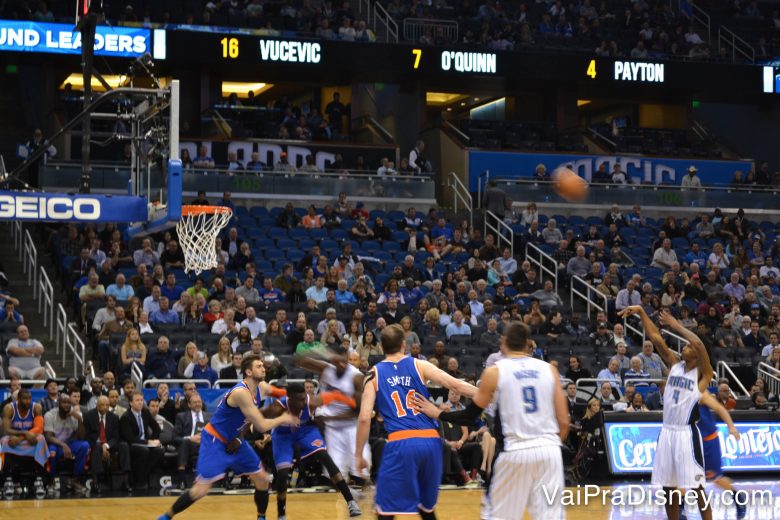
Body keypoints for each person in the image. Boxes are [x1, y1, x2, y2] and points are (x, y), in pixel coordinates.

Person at [414, 321, 569, 520]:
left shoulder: (495, 371)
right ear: (528, 343)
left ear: (503, 342)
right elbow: (564, 422)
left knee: (497, 516)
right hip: (550, 451)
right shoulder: (550, 371)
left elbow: (470, 415)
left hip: (515, 452)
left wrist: (438, 414)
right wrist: (551, 448)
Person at [355, 324, 478, 518]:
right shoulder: (419, 364)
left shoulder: (373, 374)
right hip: (431, 442)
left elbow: (364, 418)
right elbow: (455, 384)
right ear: (404, 344)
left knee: (385, 511)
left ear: (381, 347)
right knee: (426, 508)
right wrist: (486, 395)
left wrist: (358, 454)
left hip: (401, 442)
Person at [157, 355, 295, 520]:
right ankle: (166, 516)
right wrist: (284, 418)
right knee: (200, 490)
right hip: (215, 440)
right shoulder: (241, 393)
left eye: (263, 365)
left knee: (262, 479)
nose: (263, 368)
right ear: (248, 372)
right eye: (259, 366)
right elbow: (261, 426)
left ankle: (261, 517)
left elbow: (280, 393)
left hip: (235, 439)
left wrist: (294, 399)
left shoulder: (262, 387)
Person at [619, 306, 713, 520]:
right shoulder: (674, 364)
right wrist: (641, 312)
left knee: (697, 488)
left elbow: (698, 343)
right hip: (667, 433)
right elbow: (655, 337)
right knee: (668, 488)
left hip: (686, 435)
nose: (686, 347)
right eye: (686, 345)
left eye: (689, 347)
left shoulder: (703, 374)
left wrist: (676, 326)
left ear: (698, 354)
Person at [263, 382, 362, 518]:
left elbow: (335, 397)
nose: (304, 401)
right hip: (283, 434)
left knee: (325, 457)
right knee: (283, 474)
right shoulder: (277, 407)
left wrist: (352, 404)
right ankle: (282, 514)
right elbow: (257, 415)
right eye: (301, 399)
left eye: (305, 397)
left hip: (305, 430)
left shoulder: (312, 402)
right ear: (290, 399)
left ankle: (351, 502)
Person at [297, 350, 371, 485]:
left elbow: (358, 411)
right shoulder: (326, 369)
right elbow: (300, 359)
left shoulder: (356, 377)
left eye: (344, 360)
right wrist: (324, 353)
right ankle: (349, 501)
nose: (341, 364)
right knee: (335, 476)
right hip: (333, 430)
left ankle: (369, 497)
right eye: (337, 361)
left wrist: (330, 418)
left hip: (352, 427)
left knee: (361, 473)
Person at [697, 392, 746, 519]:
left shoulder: (701, 394)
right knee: (684, 477)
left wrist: (731, 427)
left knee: (716, 478)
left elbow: (720, 408)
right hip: (690, 441)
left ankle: (738, 499)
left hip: (708, 441)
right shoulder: (680, 394)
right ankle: (679, 510)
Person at [83, 395, 131, 494]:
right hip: (95, 444)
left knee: (124, 445)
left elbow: (116, 436)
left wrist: (106, 446)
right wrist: (101, 445)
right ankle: (95, 482)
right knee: (97, 447)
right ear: (97, 405)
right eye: (102, 405)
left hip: (110, 444)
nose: (105, 407)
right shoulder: (88, 416)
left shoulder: (114, 417)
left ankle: (125, 481)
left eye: (107, 405)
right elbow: (87, 435)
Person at [43, 394, 89, 494]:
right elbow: (48, 437)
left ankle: (75, 480)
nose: (66, 405)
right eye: (64, 402)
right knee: (52, 451)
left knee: (84, 445)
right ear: (58, 403)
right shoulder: (50, 415)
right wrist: (63, 445)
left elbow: (81, 437)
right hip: (55, 444)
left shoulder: (74, 415)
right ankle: (51, 481)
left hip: (69, 443)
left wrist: (79, 419)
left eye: (68, 402)